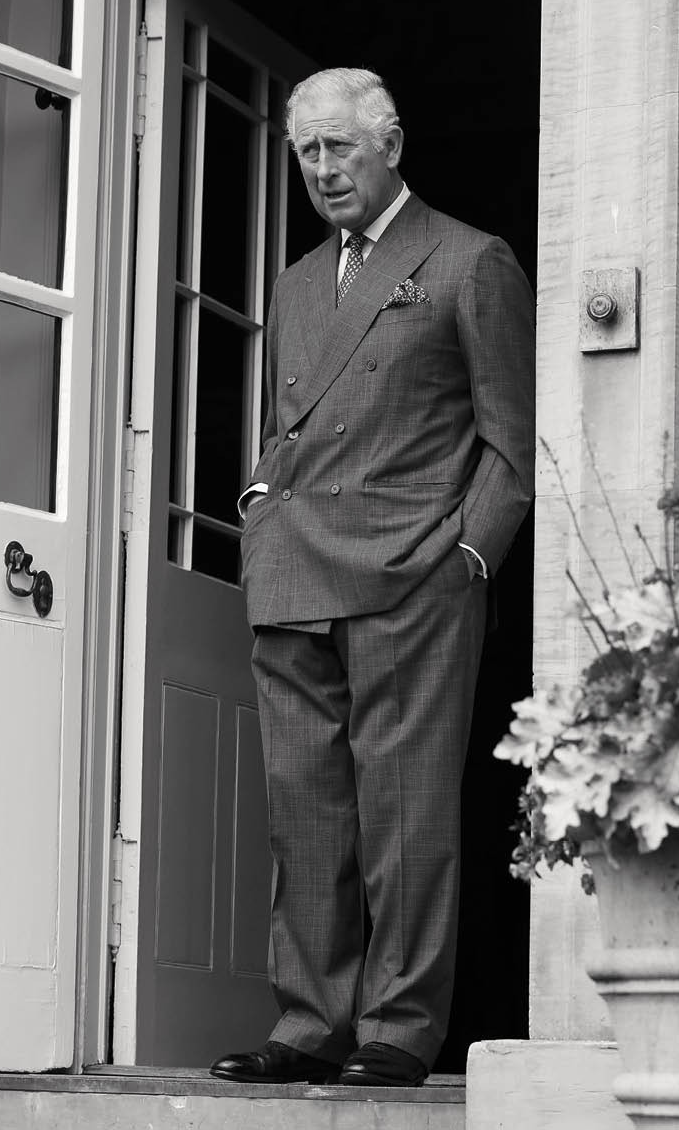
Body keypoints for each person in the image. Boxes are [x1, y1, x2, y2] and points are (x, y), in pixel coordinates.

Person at [210, 67, 535, 1088]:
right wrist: (260, 507)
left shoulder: (469, 259)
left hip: (413, 574)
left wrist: (468, 559)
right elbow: (285, 427)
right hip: (294, 571)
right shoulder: (298, 281)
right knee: (304, 813)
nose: (322, 168)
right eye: (306, 150)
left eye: (339, 146)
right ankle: (309, 1022)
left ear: (389, 144)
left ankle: (399, 1024)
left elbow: (512, 441)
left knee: (405, 811)